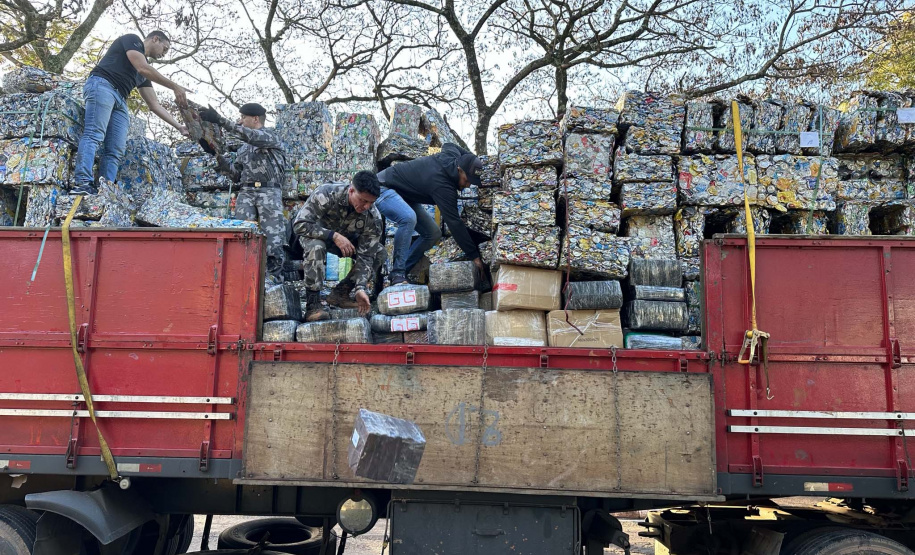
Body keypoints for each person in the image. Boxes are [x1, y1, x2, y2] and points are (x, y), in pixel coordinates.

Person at [71, 31, 190, 196]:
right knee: (94, 134)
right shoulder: (132, 40)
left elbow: (154, 105)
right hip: (102, 85)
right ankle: (83, 182)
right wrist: (174, 86)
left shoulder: (144, 74)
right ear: (155, 39)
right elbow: (142, 67)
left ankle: (105, 190)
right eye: (165, 48)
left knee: (115, 149)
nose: (164, 54)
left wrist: (179, 127)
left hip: (120, 99)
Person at [198, 103, 288, 284]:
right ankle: (244, 278)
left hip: (268, 191)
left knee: (273, 241)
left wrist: (220, 120)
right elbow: (236, 175)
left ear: (255, 119)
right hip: (246, 192)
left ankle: (274, 282)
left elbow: (251, 136)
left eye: (243, 117)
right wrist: (216, 155)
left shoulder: (270, 136)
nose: (240, 121)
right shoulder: (244, 148)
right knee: (242, 235)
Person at [374, 143, 485, 284]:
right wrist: (474, 256)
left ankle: (402, 271)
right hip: (382, 187)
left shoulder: (451, 155)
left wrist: (472, 159)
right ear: (459, 170)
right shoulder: (443, 187)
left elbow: (449, 144)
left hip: (405, 195)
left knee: (433, 233)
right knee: (408, 218)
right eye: (467, 180)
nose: (468, 185)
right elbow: (454, 223)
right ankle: (398, 274)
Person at [292, 172, 385, 322]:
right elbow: (300, 225)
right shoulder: (327, 193)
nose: (366, 206)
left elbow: (367, 255)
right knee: (316, 247)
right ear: (351, 190)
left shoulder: (373, 218)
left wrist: (360, 287)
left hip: (347, 243)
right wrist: (333, 236)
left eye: (371, 202)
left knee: (379, 252)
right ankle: (313, 305)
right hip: (316, 235)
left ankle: (341, 293)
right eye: (363, 200)